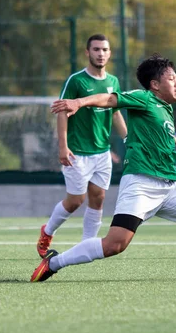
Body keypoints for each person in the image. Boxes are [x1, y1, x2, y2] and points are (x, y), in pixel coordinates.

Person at [31, 54, 176, 282]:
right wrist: (79, 102)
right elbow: (111, 101)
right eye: (171, 79)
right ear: (155, 85)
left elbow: (150, 129)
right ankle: (53, 263)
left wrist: (167, 138)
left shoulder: (164, 107)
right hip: (141, 185)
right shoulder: (144, 97)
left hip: (170, 185)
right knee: (114, 245)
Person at [35, 34, 128, 258]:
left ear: (110, 53)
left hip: (102, 153)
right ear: (87, 53)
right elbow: (62, 112)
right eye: (96, 49)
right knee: (76, 200)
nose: (100, 53)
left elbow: (115, 113)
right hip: (77, 152)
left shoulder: (113, 81)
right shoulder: (76, 81)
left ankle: (87, 246)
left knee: (98, 198)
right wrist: (62, 147)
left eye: (105, 50)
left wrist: (128, 139)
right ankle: (47, 232)